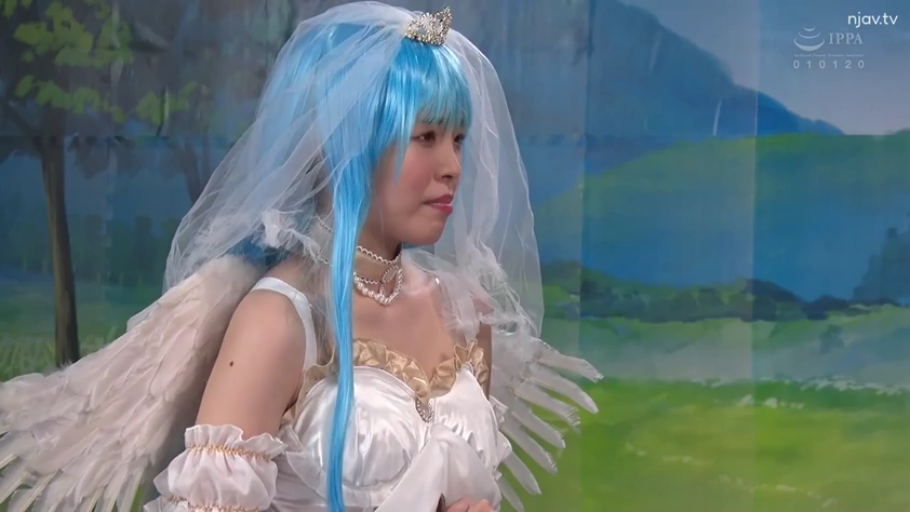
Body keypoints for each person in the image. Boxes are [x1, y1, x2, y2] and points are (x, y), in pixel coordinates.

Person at [0, 3, 602, 511]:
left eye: (458, 139)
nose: (452, 167)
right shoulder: (280, 319)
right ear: (348, 145)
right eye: (425, 137)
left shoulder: (465, 314)